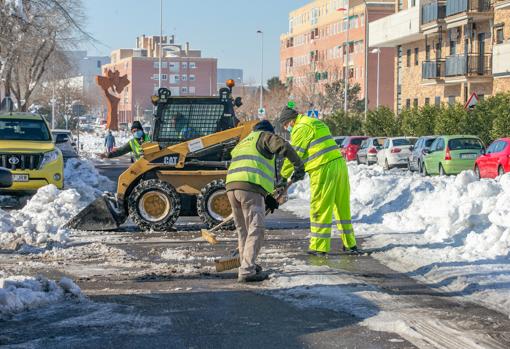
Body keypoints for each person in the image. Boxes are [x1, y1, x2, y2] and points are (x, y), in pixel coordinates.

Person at [226, 120, 305, 282]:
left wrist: (268, 197)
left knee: (244, 231)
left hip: (231, 187)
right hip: (249, 188)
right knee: (256, 229)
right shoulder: (265, 136)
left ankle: (246, 264)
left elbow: (251, 166)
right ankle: (247, 270)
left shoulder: (244, 142)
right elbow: (284, 146)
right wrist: (299, 167)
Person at [277, 107, 357, 255]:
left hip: (323, 168)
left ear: (290, 121)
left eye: (285, 125)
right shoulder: (316, 122)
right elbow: (314, 149)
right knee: (341, 206)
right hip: (339, 166)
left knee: (320, 206)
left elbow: (294, 154)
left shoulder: (301, 128)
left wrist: (283, 176)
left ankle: (319, 247)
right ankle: (350, 243)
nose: (285, 128)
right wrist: (300, 170)